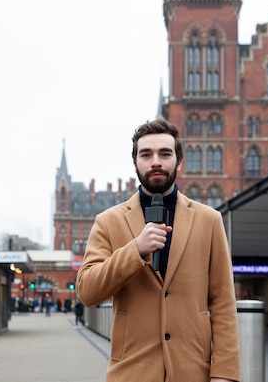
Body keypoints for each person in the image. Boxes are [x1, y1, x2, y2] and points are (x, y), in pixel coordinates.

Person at [77, 119, 240, 382]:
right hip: (131, 373)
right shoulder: (108, 221)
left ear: (179, 162)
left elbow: (222, 302)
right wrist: (135, 251)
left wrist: (225, 374)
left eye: (165, 153)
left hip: (192, 372)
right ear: (135, 163)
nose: (156, 161)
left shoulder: (209, 220)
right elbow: (87, 291)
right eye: (146, 154)